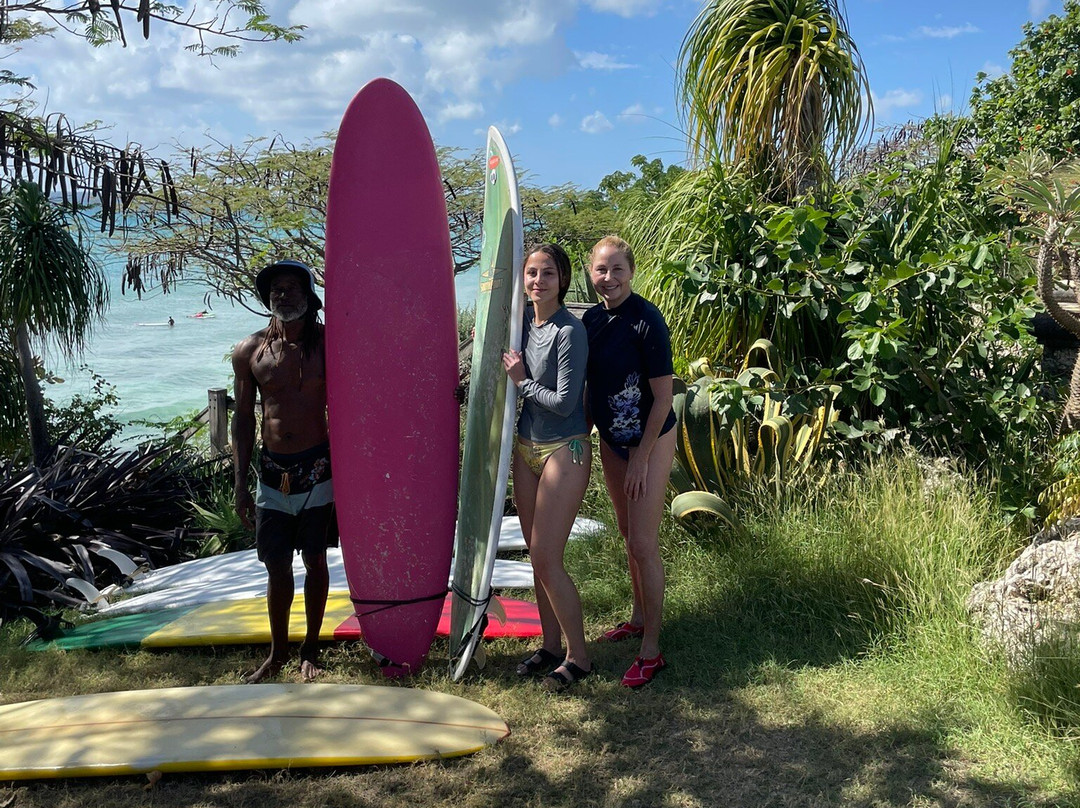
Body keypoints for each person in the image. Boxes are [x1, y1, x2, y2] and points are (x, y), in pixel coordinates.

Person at [232, 258, 337, 683]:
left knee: (315, 559)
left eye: (292, 287)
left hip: (318, 469)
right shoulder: (250, 350)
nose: (283, 294)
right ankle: (277, 654)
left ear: (310, 298)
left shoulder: (330, 344)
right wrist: (240, 484)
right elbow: (241, 420)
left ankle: (310, 648)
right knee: (275, 565)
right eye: (276, 289)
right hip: (272, 472)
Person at [583, 235, 677, 688]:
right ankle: (639, 617)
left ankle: (651, 651)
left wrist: (641, 457)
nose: (609, 278)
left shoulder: (647, 320)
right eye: (601, 269)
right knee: (625, 534)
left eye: (617, 269)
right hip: (612, 442)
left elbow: (663, 398)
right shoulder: (590, 321)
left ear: (631, 272)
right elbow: (588, 387)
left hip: (652, 439)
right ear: (590, 272)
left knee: (643, 541)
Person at [502, 244, 592, 691]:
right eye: (532, 273)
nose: (539, 281)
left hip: (565, 448)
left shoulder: (569, 332)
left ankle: (580, 657)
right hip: (525, 447)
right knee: (538, 558)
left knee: (545, 556)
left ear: (564, 280)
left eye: (548, 274)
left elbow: (563, 403)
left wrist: (521, 382)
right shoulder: (522, 324)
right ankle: (551, 645)